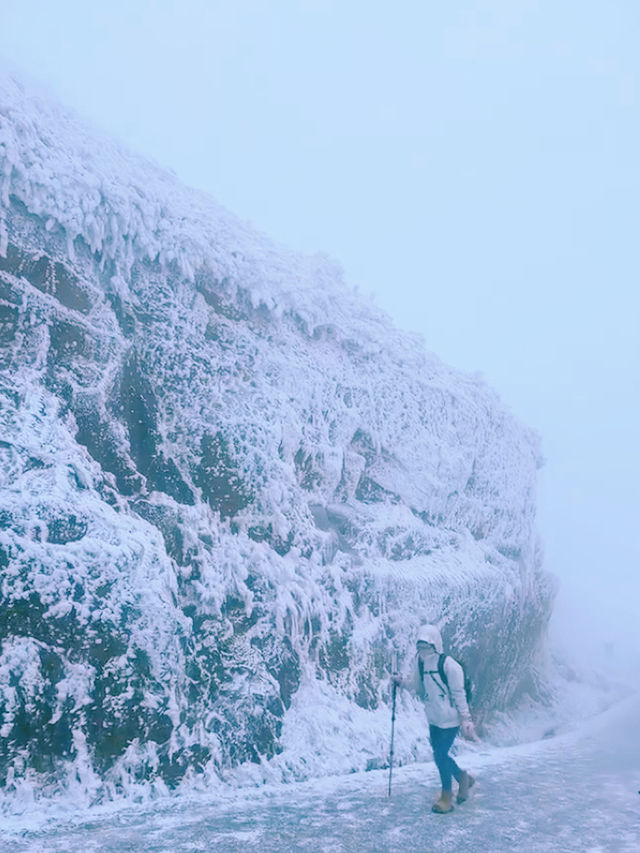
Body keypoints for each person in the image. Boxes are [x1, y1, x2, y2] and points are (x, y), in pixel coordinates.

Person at [392, 623, 478, 814]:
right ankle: (463, 777)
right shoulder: (421, 663)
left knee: (439, 755)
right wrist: (401, 683)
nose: (423, 650)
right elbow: (416, 685)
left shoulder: (449, 665)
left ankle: (447, 797)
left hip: (451, 720)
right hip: (433, 719)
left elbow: (458, 693)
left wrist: (466, 719)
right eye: (420, 646)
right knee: (440, 756)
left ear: (436, 644)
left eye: (427, 646)